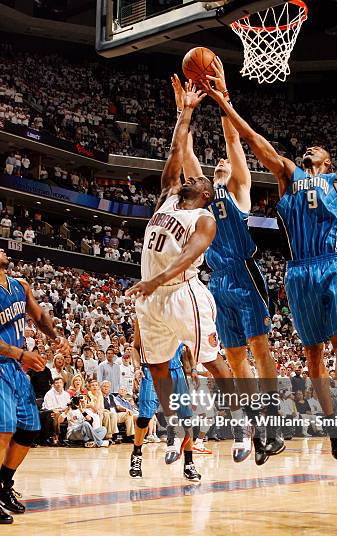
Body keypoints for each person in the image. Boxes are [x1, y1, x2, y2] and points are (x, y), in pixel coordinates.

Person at [203, 73, 337, 459]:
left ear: (327, 162)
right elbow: (251, 140)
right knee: (313, 355)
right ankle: (333, 427)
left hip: (331, 267)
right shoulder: (286, 173)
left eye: (316, 148)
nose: (309, 149)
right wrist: (224, 102)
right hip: (298, 273)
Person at [126, 82, 243, 479]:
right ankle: (175, 425)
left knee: (212, 362)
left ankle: (243, 423)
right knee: (158, 367)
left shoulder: (203, 219)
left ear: (207, 193)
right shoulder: (168, 198)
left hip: (181, 293)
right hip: (152, 296)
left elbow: (190, 256)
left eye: (197, 179)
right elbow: (177, 151)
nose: (189, 177)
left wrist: (154, 280)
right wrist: (186, 112)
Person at [172, 65, 284, 466]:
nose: (218, 164)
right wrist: (182, 112)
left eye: (221, 163)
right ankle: (256, 427)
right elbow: (186, 158)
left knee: (259, 347)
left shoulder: (237, 190)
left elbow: (234, 138)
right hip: (218, 282)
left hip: (245, 273)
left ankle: (271, 421)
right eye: (212, 164)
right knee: (235, 358)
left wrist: (222, 96)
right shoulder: (200, 195)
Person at [0, 249, 69, 524]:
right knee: (3, 430)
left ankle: (4, 485)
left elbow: (39, 316)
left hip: (15, 367)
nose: (3, 249)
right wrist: (20, 354)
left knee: (29, 428)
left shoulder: (20, 286)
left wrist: (55, 336)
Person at [129, 318, 198, 479]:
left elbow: (188, 348)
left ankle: (189, 463)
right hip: (150, 369)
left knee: (186, 419)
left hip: (176, 370)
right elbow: (135, 347)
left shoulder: (177, 313)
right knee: (144, 418)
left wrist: (193, 368)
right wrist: (137, 368)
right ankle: (137, 454)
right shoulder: (142, 316)